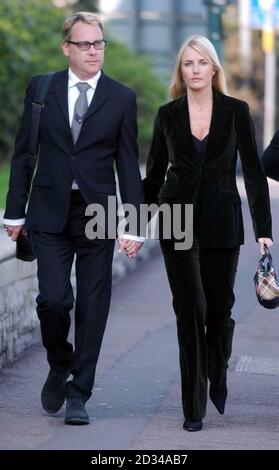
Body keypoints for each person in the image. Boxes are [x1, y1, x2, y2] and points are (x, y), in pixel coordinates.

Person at [3, 12, 144, 425]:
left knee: (93, 304)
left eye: (99, 43)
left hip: (97, 212)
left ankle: (79, 392)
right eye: (84, 44)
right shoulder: (41, 89)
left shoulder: (121, 97)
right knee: (54, 299)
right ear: (67, 47)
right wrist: (15, 211)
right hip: (47, 210)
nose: (94, 51)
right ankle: (59, 362)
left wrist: (134, 224)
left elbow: (128, 164)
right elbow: (25, 152)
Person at [143, 35, 273, 432]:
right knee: (190, 311)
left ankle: (218, 371)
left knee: (219, 313)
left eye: (202, 63)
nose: (195, 70)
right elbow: (152, 177)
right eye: (188, 63)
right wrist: (132, 225)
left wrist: (263, 231)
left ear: (214, 68)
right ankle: (193, 407)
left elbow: (252, 173)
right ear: (180, 71)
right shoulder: (167, 115)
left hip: (222, 221)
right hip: (175, 220)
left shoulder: (236, 112)